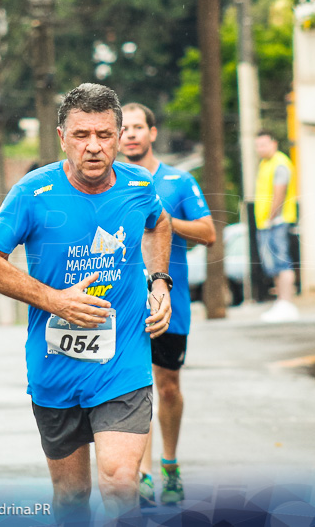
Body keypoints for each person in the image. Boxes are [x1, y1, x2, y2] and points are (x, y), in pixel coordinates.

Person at [0, 83, 173, 522]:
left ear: (120, 136)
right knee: (71, 495)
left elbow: (159, 224)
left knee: (120, 481)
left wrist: (160, 283)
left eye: (104, 134)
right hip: (54, 366)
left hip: (123, 363)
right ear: (62, 136)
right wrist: (55, 301)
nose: (94, 147)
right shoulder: (33, 193)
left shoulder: (139, 185)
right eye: (82, 135)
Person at [120, 102, 215, 507]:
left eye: (138, 127)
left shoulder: (178, 181)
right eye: (123, 128)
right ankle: (140, 473)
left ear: (152, 133)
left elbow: (208, 232)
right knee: (132, 388)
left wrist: (160, 220)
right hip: (122, 305)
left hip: (168, 302)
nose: (130, 134)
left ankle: (170, 465)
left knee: (167, 386)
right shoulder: (108, 181)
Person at [254, 132, 299, 322]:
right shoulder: (265, 164)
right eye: (258, 145)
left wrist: (272, 217)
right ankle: (281, 303)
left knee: (282, 262)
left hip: (277, 222)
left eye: (264, 144)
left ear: (274, 143)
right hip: (266, 222)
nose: (261, 149)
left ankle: (287, 304)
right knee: (273, 265)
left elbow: (279, 192)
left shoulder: (280, 163)